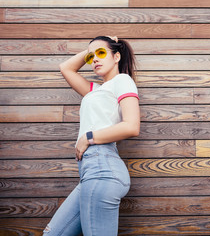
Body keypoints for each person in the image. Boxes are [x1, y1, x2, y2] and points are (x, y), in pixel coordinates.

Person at [43, 36, 140, 236]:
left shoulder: (122, 80)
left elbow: (131, 126)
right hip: (90, 173)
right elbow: (66, 68)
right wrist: (95, 47)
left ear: (117, 56)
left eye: (102, 53)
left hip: (103, 169)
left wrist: (88, 137)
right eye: (91, 56)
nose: (95, 59)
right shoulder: (95, 91)